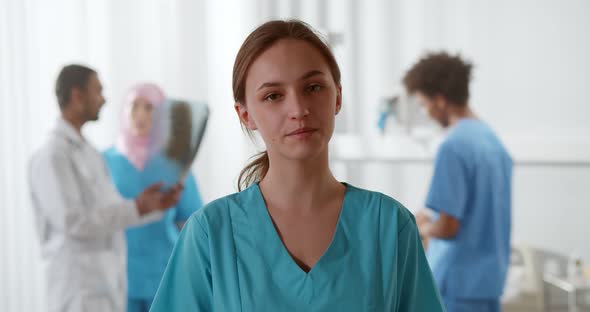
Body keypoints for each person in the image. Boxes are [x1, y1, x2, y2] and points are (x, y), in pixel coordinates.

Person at [150, 20, 444, 311]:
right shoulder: (211, 234)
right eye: (273, 96)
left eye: (313, 87)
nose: (298, 110)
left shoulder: (388, 226)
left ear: (337, 97)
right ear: (245, 115)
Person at [28, 65, 182, 312]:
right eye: (97, 91)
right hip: (77, 290)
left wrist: (151, 206)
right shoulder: (52, 156)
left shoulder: (90, 154)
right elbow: (73, 222)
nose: (103, 99)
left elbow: (112, 212)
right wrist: (137, 207)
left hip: (106, 287)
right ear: (78, 96)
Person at [403, 52, 512, 312]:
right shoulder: (493, 143)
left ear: (439, 101)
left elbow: (449, 225)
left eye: (423, 104)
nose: (427, 113)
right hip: (489, 283)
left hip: (456, 285)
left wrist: (423, 228)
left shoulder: (453, 146)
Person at [102, 83, 204, 312]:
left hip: (164, 273)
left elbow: (190, 222)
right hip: (116, 276)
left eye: (149, 108)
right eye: (133, 106)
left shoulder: (175, 163)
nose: (140, 115)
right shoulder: (103, 162)